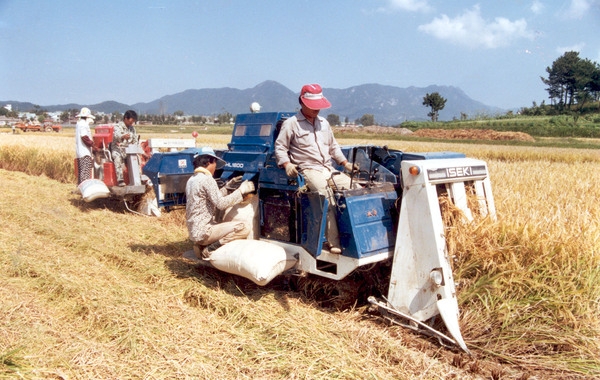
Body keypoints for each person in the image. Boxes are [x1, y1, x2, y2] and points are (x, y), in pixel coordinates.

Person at [274, 83, 358, 254]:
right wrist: (287, 164)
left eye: (318, 106)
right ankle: (333, 242)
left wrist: (345, 163)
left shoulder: (324, 123)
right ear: (302, 102)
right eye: (313, 107)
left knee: (354, 188)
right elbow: (280, 147)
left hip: (328, 168)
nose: (316, 110)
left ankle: (353, 237)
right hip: (308, 169)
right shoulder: (292, 124)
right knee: (324, 195)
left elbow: (333, 147)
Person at [186, 146, 255, 259]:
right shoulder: (207, 179)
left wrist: (228, 187)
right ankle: (210, 249)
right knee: (243, 227)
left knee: (218, 223)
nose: (215, 168)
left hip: (194, 230)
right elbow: (221, 204)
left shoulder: (193, 179)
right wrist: (240, 191)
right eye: (215, 164)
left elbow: (213, 197)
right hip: (204, 231)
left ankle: (201, 245)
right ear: (209, 161)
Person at [110, 110, 139, 186]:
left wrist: (136, 146)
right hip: (118, 149)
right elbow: (116, 136)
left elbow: (135, 139)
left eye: (133, 121)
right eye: (131, 121)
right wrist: (123, 136)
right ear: (126, 118)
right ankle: (120, 180)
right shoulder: (118, 126)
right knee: (117, 157)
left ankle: (136, 179)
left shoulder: (132, 129)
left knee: (136, 159)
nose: (132, 123)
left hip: (129, 150)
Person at [74, 107, 95, 185]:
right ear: (87, 117)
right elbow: (84, 137)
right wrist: (93, 145)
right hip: (85, 152)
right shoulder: (83, 124)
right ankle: (84, 187)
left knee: (81, 172)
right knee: (85, 172)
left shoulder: (79, 123)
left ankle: (80, 187)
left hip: (80, 152)